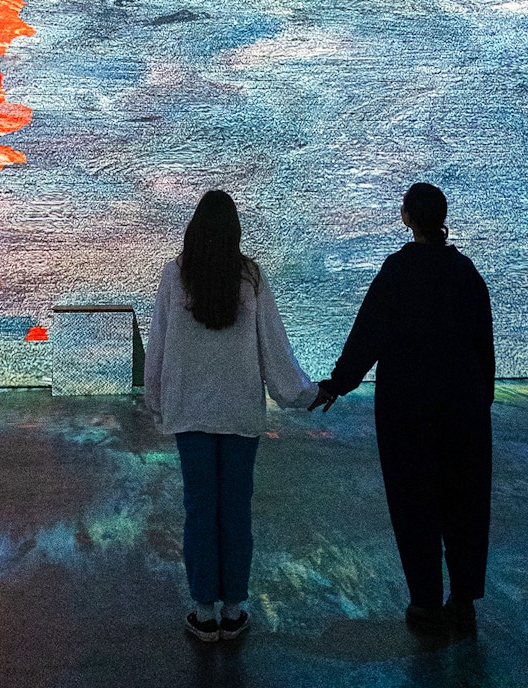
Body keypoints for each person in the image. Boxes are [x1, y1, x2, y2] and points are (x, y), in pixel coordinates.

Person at [310, 183, 495, 637]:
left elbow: (368, 334)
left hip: (406, 407)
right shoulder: (466, 272)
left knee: (415, 500)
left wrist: (339, 383)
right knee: (465, 500)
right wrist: (481, 399)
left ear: (406, 217)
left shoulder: (397, 271)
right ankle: (465, 601)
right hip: (464, 406)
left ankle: (427, 603)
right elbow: (484, 346)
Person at [144, 189, 319, 642]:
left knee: (200, 509)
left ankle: (203, 611)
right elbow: (275, 350)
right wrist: (301, 393)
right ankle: (235, 608)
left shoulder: (174, 275)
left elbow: (158, 347)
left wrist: (158, 401)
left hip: (189, 411)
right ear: (235, 232)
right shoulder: (252, 278)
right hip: (240, 413)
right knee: (235, 511)